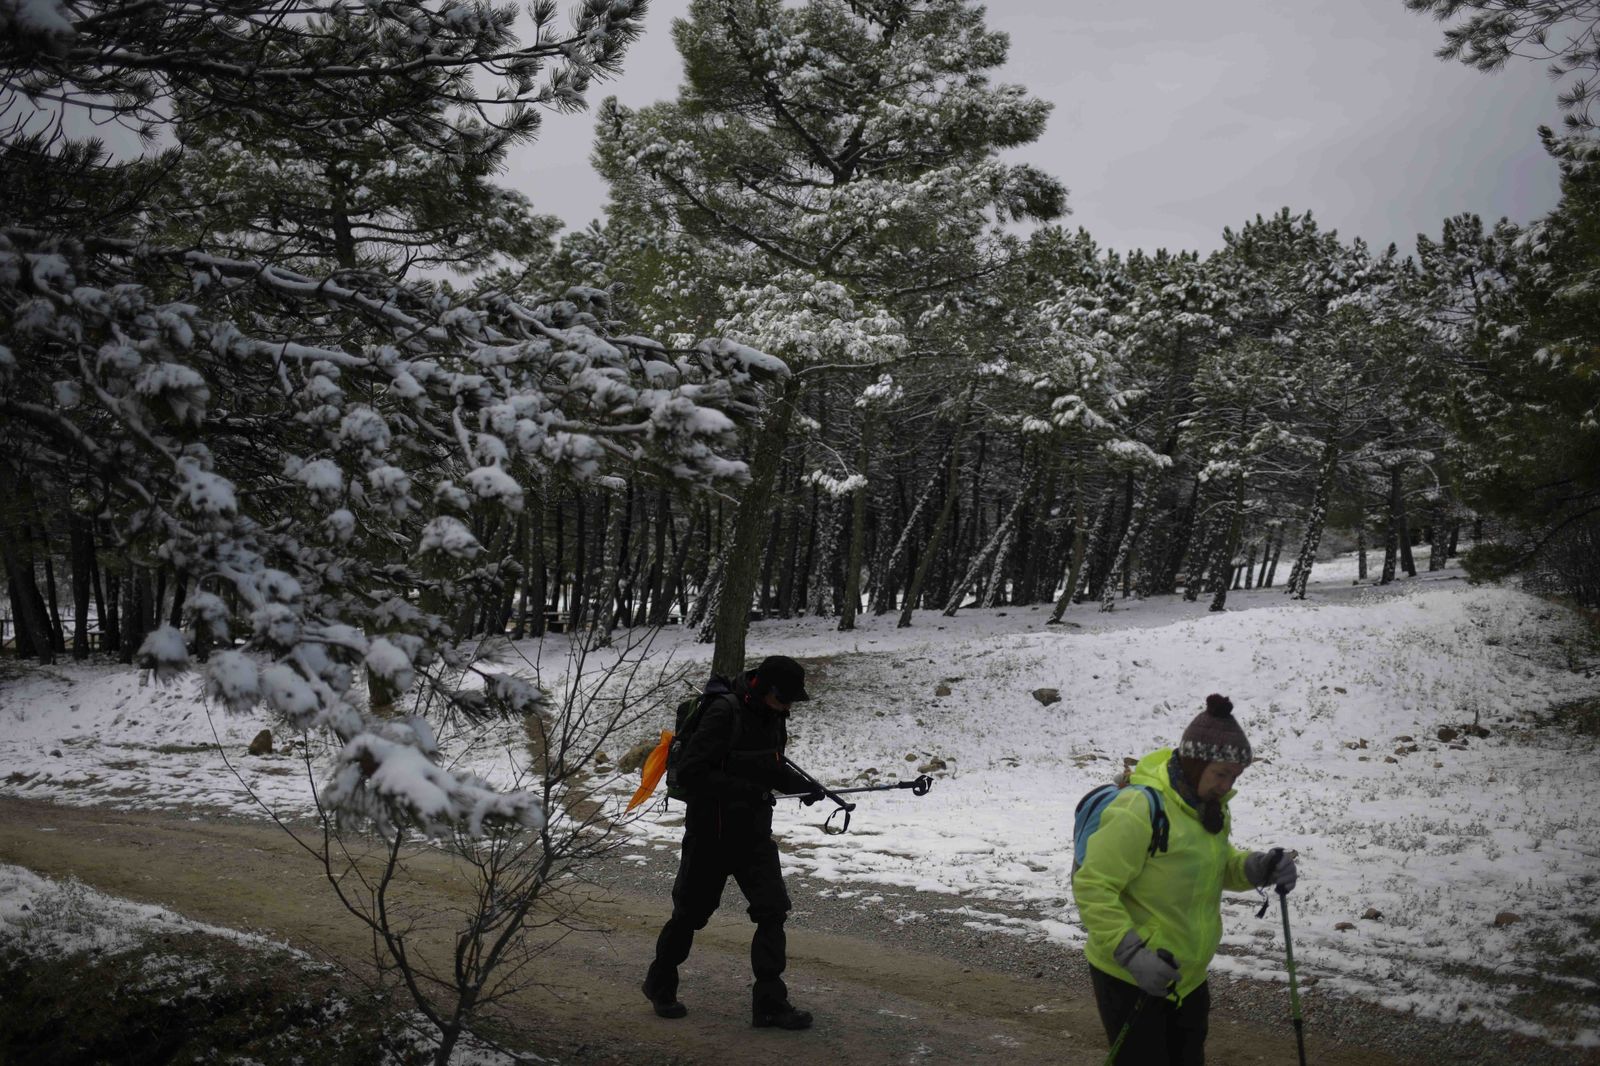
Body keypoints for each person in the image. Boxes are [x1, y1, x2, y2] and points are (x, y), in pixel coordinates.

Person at [1072, 694, 1299, 1065]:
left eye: (1235, 776)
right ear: (1196, 765)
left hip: (1187, 975)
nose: (1227, 786)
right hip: (1131, 976)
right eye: (1221, 774)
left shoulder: (1209, 810)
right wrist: (1133, 955)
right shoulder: (1141, 809)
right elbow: (1093, 886)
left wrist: (1258, 867)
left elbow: (1218, 865)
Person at [642, 654, 824, 1030]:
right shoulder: (723, 713)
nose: (789, 707)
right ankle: (660, 984)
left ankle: (770, 1006)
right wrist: (747, 791)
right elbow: (692, 772)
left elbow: (769, 766)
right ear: (766, 689)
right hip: (711, 835)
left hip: (754, 836)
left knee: (772, 911)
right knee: (690, 915)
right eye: (785, 698)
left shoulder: (773, 715)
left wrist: (800, 787)